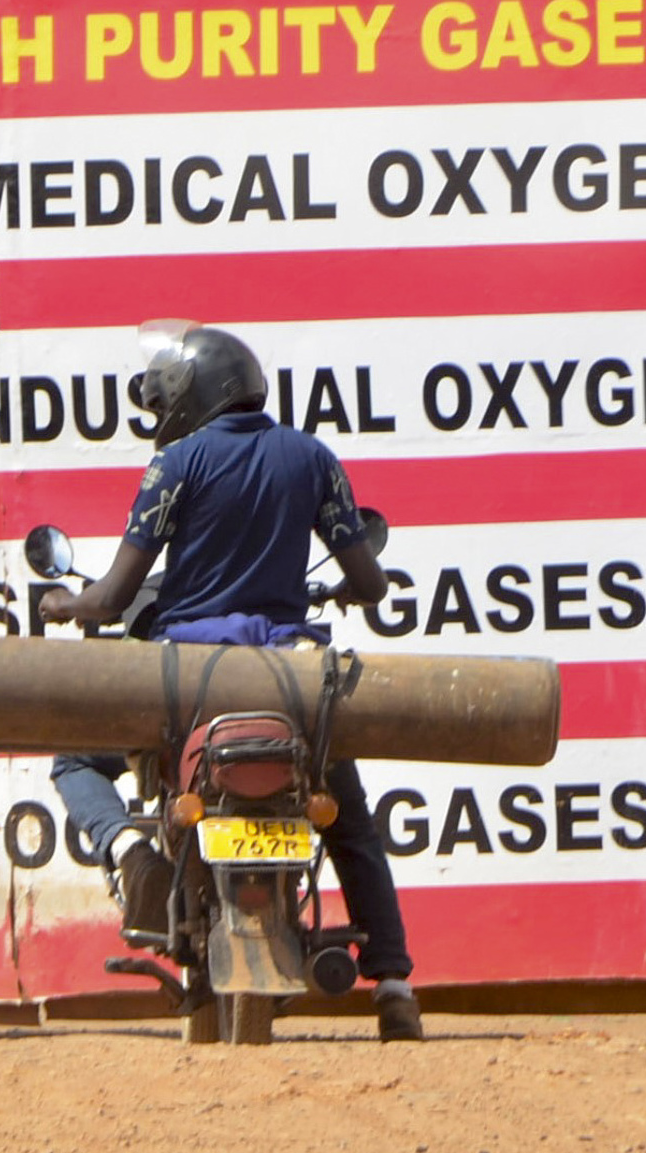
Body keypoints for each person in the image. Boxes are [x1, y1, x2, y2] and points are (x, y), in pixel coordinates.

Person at [41, 322, 422, 1043]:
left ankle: (128, 849)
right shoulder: (313, 458)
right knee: (347, 816)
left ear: (193, 395)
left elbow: (115, 597)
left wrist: (66, 602)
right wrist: (339, 588)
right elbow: (368, 582)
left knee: (74, 759)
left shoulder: (177, 464)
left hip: (185, 679)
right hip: (289, 676)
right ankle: (396, 983)